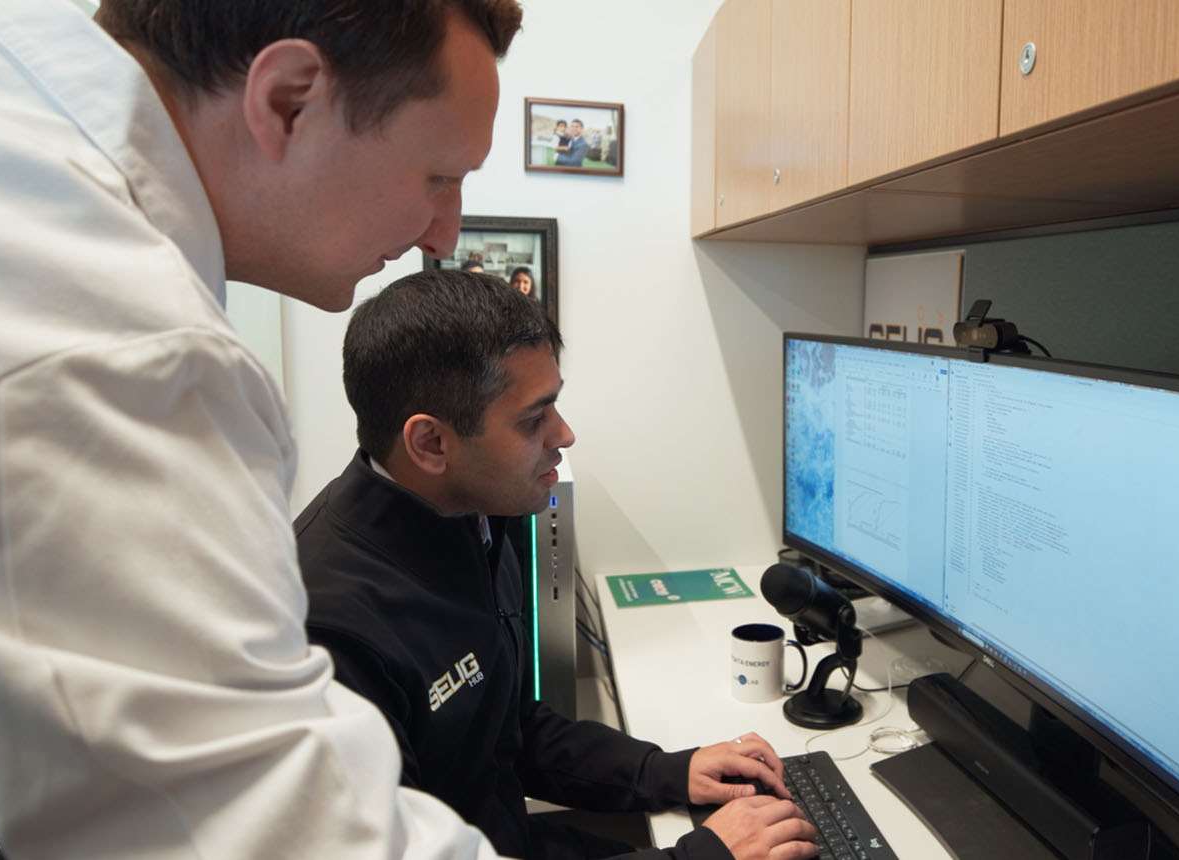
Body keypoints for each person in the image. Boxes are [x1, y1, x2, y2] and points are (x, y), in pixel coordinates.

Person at [0, 1, 529, 857]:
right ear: (289, 100)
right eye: (438, 177)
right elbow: (255, 831)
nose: (443, 235)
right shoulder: (101, 347)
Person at [294, 270, 818, 860]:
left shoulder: (476, 516)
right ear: (431, 444)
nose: (564, 435)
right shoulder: (328, 632)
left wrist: (667, 771)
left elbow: (510, 731)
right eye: (532, 419)